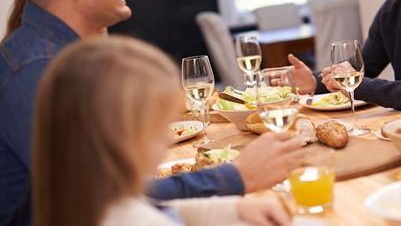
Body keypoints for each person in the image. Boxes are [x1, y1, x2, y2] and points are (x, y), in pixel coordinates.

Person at [0, 0, 300, 225]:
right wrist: (235, 176)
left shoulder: (61, 56)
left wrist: (231, 207)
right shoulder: (37, 70)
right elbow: (104, 198)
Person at [33, 37, 289, 226]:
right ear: (121, 140)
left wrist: (237, 208)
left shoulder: (89, 200)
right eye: (159, 127)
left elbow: (162, 209)